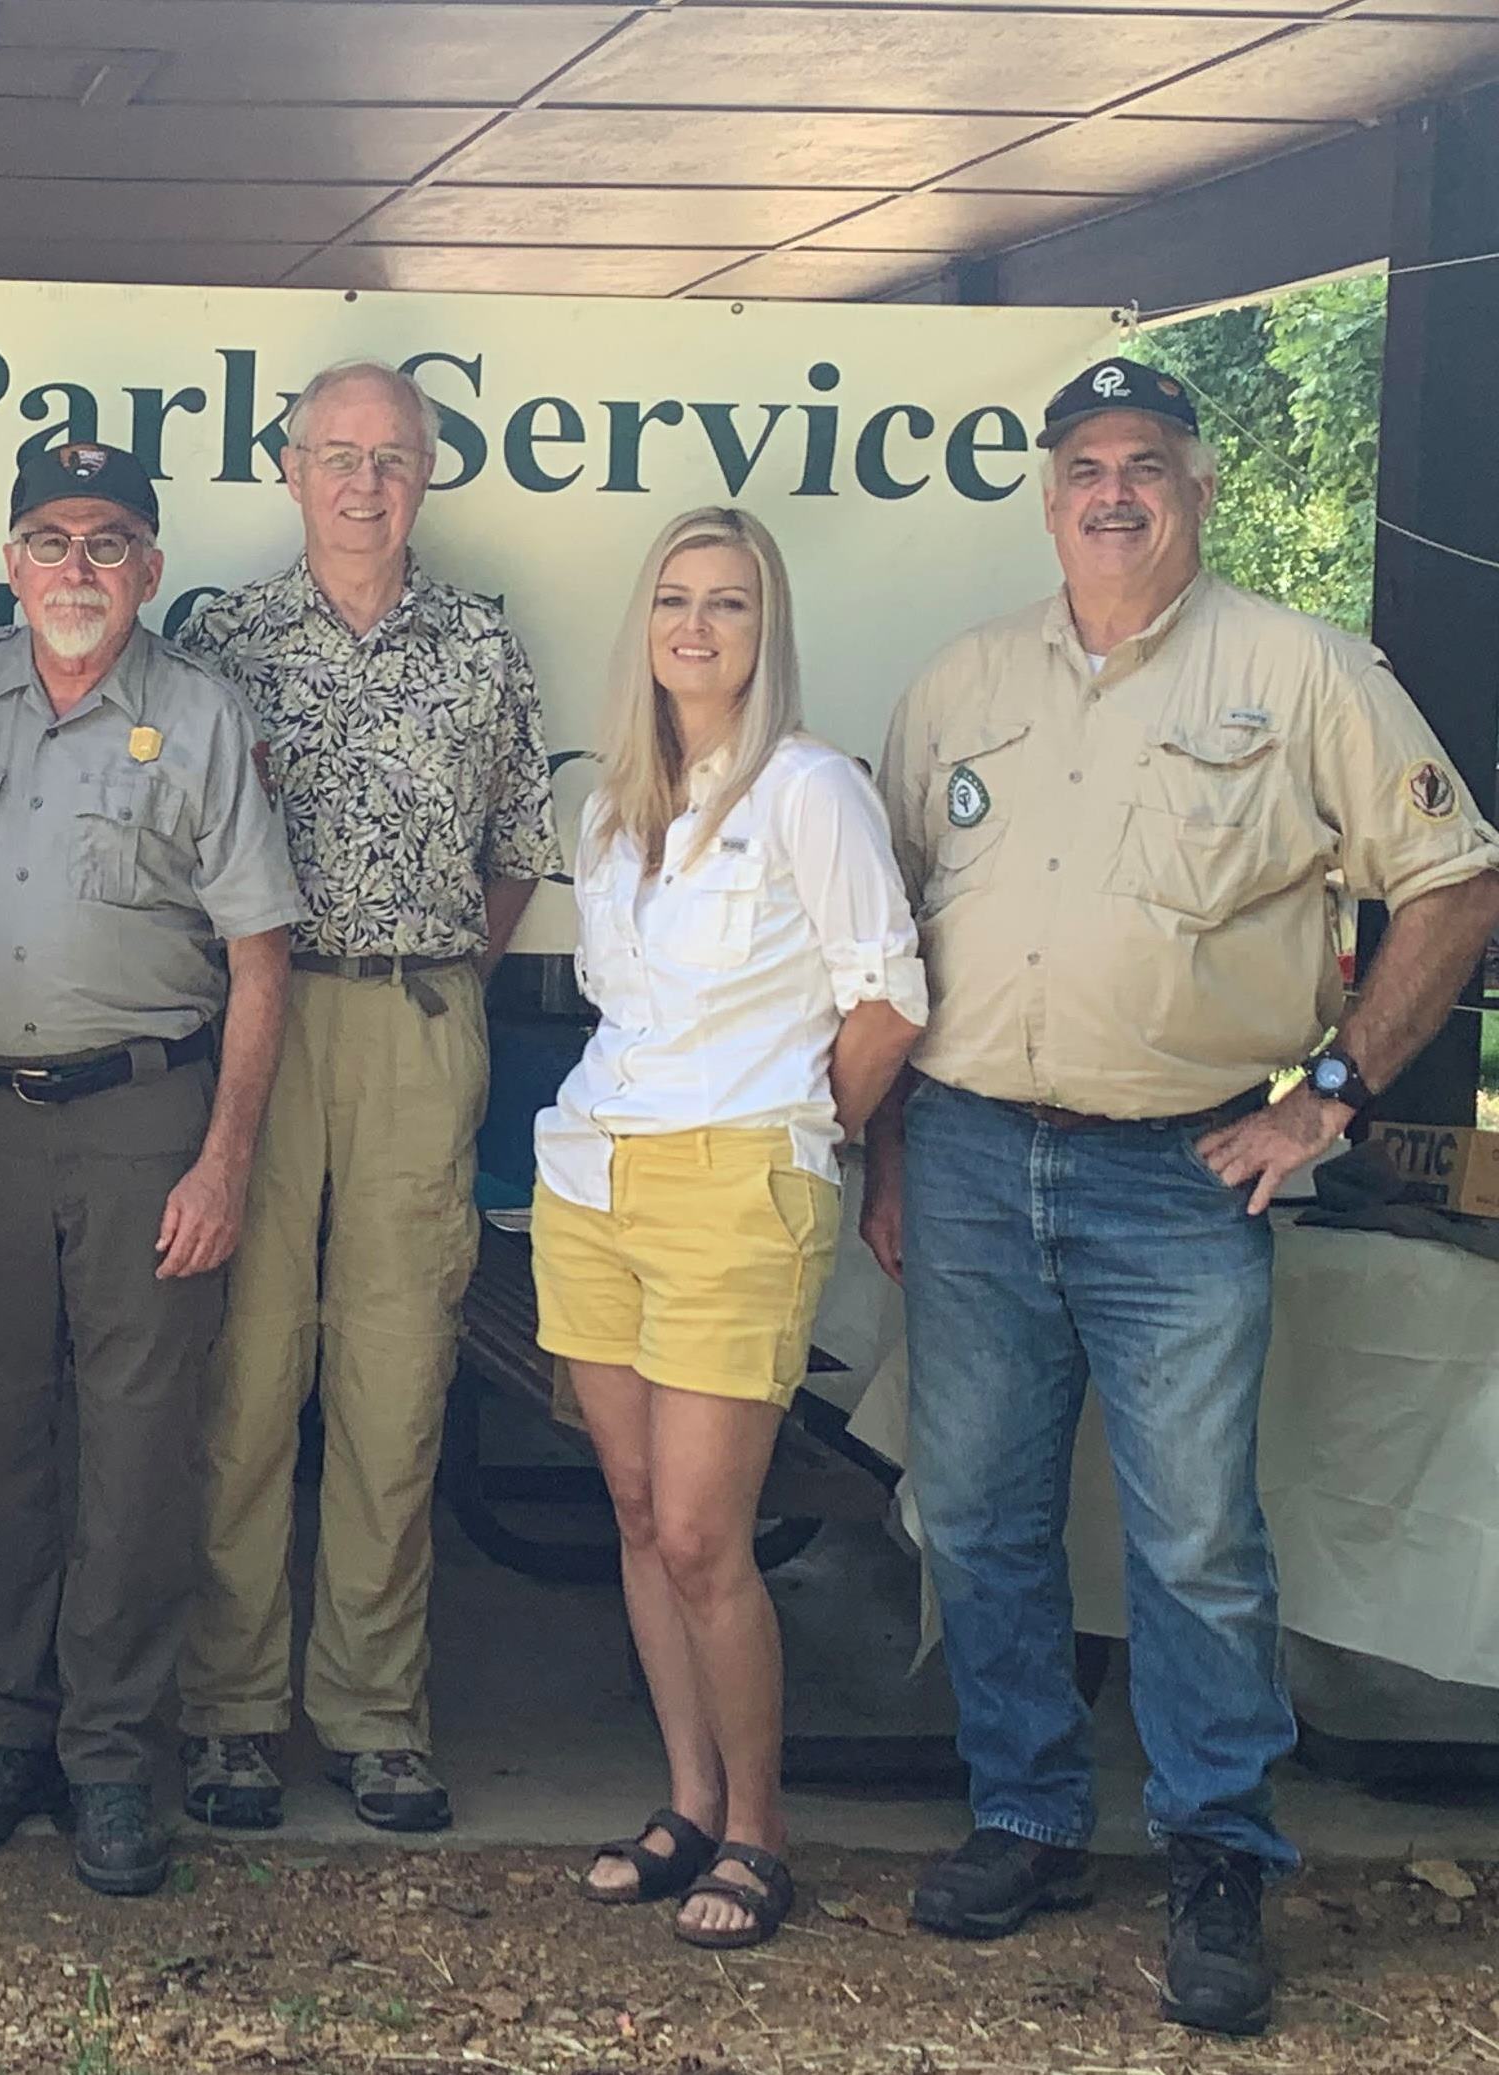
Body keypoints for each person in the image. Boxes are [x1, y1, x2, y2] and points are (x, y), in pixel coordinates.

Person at [867, 357, 1499, 2035]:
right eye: (1085, 465)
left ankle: (1219, 1851)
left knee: (1199, 1541)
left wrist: (1335, 1098)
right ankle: (1026, 1817)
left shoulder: (1299, 671)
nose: (1114, 491)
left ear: (1200, 489)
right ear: (1050, 493)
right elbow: (882, 944)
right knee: (988, 1518)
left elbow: (1453, 878)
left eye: (1147, 463)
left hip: (1186, 1168)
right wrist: (883, 1158)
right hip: (975, 1154)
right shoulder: (961, 685)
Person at [0, 441, 303, 1898]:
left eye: (110, 542)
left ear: (150, 564)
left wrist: (225, 1160)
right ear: (13, 559)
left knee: (137, 1452)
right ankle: (5, 1733)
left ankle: (117, 1756)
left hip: (148, 1121)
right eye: (51, 540)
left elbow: (261, 960)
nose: (78, 569)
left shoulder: (201, 716)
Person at [171, 360, 558, 1834]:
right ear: (287, 469)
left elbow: (520, 836)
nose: (363, 481)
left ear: (431, 470)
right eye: (336, 454)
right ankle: (226, 1711)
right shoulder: (223, 640)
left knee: (396, 1377)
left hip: (414, 1016)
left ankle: (377, 1713)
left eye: (392, 455)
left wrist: (448, 969)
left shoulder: (480, 644)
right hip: (257, 1028)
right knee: (249, 1372)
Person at [534, 507, 924, 1949]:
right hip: (592, 1176)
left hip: (738, 1182)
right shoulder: (618, 802)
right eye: (676, 601)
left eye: (731, 605)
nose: (697, 628)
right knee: (637, 1516)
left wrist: (807, 1124)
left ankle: (760, 1832)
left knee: (708, 1532)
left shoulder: (811, 789)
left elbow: (889, 995)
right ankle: (687, 1798)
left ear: (770, 633)